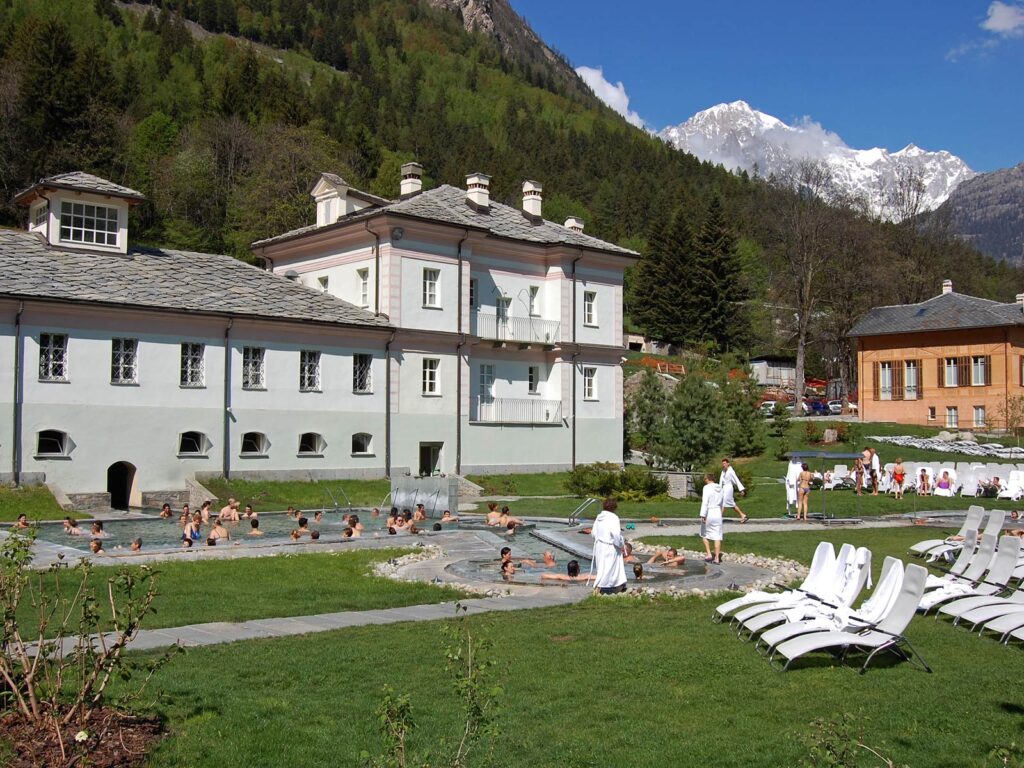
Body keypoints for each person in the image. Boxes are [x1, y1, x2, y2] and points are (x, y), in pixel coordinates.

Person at [590, 499, 627, 594]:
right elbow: (615, 534)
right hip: (610, 546)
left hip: (599, 546)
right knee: (610, 567)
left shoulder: (599, 517)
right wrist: (620, 544)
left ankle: (616, 584)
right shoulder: (613, 518)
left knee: (602, 567)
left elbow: (593, 533)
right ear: (614, 508)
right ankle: (600, 586)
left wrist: (599, 539)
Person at [699, 473, 725, 564]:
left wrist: (703, 515)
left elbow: (705, 502)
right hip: (717, 512)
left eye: (705, 479)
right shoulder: (720, 488)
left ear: (708, 479)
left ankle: (709, 554)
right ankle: (717, 558)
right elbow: (722, 501)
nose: (704, 481)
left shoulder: (706, 488)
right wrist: (721, 512)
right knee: (717, 536)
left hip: (709, 512)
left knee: (704, 534)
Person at [719, 458, 748, 523]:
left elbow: (736, 480)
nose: (723, 465)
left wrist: (741, 490)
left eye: (724, 463)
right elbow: (720, 482)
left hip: (728, 488)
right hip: (724, 488)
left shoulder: (731, 471)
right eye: (722, 463)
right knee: (731, 504)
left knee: (723, 503)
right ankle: (743, 515)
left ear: (728, 463)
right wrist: (719, 489)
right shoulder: (723, 471)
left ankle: (718, 518)